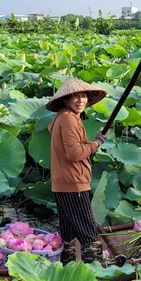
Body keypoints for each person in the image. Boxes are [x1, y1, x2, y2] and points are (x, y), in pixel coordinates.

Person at [46, 77, 109, 264]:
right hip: (74, 184)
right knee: (89, 234)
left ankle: (67, 270)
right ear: (65, 100)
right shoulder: (69, 120)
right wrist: (97, 142)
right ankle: (98, 276)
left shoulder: (61, 118)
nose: (80, 100)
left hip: (61, 183)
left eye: (83, 96)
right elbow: (74, 153)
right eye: (75, 96)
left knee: (68, 233)